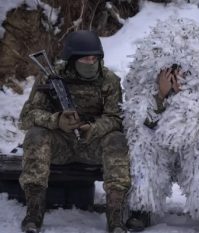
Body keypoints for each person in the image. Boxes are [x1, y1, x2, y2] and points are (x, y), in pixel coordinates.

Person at [122, 17, 199, 233]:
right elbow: (137, 120)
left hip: (192, 148)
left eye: (181, 68)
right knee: (142, 143)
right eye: (169, 68)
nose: (175, 74)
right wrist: (160, 97)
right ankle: (141, 208)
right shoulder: (145, 85)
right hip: (159, 147)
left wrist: (186, 100)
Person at [18, 30, 130, 233]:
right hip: (60, 145)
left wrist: (93, 129)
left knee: (118, 140)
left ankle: (115, 218)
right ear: (72, 59)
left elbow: (116, 118)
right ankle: (34, 213)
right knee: (35, 135)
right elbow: (26, 118)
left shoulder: (109, 80)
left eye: (95, 58)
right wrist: (56, 121)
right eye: (85, 58)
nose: (91, 62)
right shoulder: (51, 78)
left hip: (92, 146)